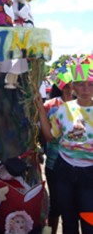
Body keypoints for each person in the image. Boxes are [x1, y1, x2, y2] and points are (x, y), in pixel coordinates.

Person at [37, 54, 93, 234]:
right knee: (68, 220)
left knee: (89, 221)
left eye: (90, 84)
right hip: (64, 170)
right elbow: (50, 136)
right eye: (81, 84)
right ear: (74, 86)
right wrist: (40, 109)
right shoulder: (63, 109)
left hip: (89, 173)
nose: (86, 89)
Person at [39, 63, 73, 234]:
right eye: (68, 86)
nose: (72, 90)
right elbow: (44, 134)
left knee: (77, 205)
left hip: (83, 166)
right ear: (62, 87)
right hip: (55, 163)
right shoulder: (51, 106)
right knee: (56, 205)